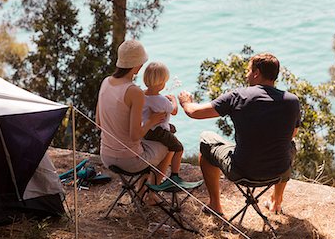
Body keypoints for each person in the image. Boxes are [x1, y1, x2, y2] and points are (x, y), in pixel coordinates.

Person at [178, 53, 300, 215]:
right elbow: (292, 134)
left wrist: (186, 101)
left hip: (242, 172)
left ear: (257, 73)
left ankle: (215, 205)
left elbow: (195, 113)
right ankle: (276, 200)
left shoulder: (238, 96)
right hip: (278, 172)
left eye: (249, 71)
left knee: (207, 139)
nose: (246, 74)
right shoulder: (292, 101)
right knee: (290, 145)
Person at [95, 40, 173, 205]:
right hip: (129, 161)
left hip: (106, 156)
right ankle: (152, 193)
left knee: (147, 143)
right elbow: (135, 135)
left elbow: (98, 123)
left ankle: (141, 190)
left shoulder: (105, 82)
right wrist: (152, 121)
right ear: (138, 65)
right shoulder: (134, 92)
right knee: (170, 145)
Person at [142, 61, 185, 184]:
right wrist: (173, 100)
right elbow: (174, 111)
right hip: (158, 132)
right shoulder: (162, 100)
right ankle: (175, 176)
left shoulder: (141, 95)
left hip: (145, 130)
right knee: (178, 148)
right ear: (161, 83)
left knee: (172, 128)